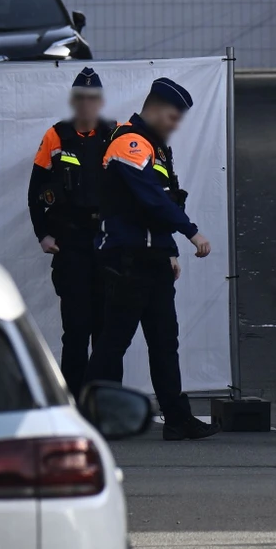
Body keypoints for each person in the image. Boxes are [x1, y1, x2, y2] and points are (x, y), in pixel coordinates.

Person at [89, 77, 217, 439]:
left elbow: (164, 200)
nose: (176, 125)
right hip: (127, 259)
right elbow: (150, 197)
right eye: (173, 117)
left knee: (164, 342)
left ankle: (177, 419)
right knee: (114, 342)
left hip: (153, 258)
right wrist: (191, 232)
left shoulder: (156, 148)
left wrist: (170, 251)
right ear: (157, 109)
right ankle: (88, 417)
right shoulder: (129, 142)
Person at [28, 68, 116, 385]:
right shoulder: (56, 136)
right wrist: (43, 234)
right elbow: (35, 192)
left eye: (92, 98)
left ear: (100, 102)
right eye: (81, 98)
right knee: (77, 329)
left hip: (108, 246)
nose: (86, 104)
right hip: (71, 246)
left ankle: (106, 402)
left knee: (106, 331)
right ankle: (75, 402)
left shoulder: (115, 135)